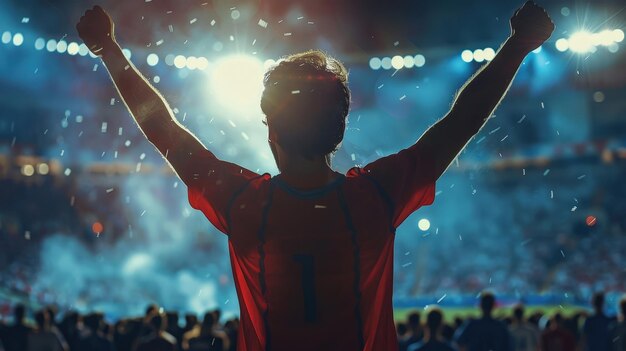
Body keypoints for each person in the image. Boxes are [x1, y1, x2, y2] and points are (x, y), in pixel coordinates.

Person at [76, 2, 554, 349]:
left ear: (271, 131)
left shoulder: (245, 203)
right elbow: (459, 122)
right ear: (340, 128)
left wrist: (109, 50)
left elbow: (163, 129)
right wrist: (518, 46)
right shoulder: (375, 198)